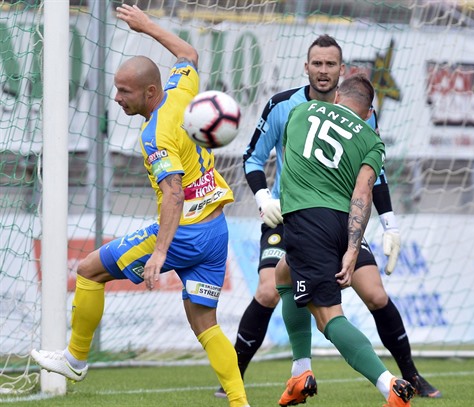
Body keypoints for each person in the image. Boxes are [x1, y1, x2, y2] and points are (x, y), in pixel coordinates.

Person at [30, 5, 250, 407]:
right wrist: (147, 26)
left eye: (124, 91)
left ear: (150, 92)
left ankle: (76, 359)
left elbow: (173, 192)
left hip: (184, 232)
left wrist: (161, 251)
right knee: (205, 324)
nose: (116, 98)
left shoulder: (155, 135)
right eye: (116, 89)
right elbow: (188, 55)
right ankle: (240, 402)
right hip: (216, 231)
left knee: (87, 270)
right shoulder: (182, 91)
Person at [214, 35, 440, 404]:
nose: (322, 70)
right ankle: (253, 375)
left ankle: (397, 380)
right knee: (274, 284)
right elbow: (253, 158)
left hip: (316, 218)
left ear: (340, 71)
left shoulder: (317, 115)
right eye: (316, 63)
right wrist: (262, 197)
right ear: (306, 67)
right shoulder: (286, 105)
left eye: (330, 64)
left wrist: (390, 224)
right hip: (293, 215)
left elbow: (372, 181)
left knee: (358, 302)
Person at [279, 73, 415, 407]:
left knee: (328, 317)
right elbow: (363, 192)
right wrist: (353, 248)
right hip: (342, 222)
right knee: (282, 275)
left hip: (306, 219)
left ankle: (389, 386)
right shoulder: (373, 140)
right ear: (368, 113)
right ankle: (300, 371)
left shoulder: (302, 111)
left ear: (337, 96)